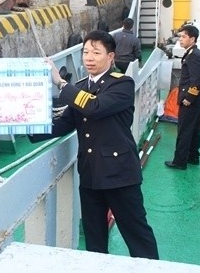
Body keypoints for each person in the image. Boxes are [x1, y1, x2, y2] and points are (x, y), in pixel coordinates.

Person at [29, 31, 159, 259]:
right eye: (85, 52)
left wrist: (60, 83)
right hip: (90, 174)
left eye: (96, 52)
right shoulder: (80, 86)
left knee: (136, 234)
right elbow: (63, 124)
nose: (89, 57)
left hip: (120, 174)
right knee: (94, 237)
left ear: (110, 57)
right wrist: (22, 126)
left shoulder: (122, 84)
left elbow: (94, 107)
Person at [165, 24, 200, 170]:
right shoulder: (192, 53)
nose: (180, 40)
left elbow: (197, 80)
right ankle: (193, 156)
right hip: (195, 100)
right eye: (180, 37)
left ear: (192, 39)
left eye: (183, 37)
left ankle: (180, 161)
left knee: (184, 130)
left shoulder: (194, 55)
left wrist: (189, 98)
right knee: (193, 129)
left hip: (191, 101)